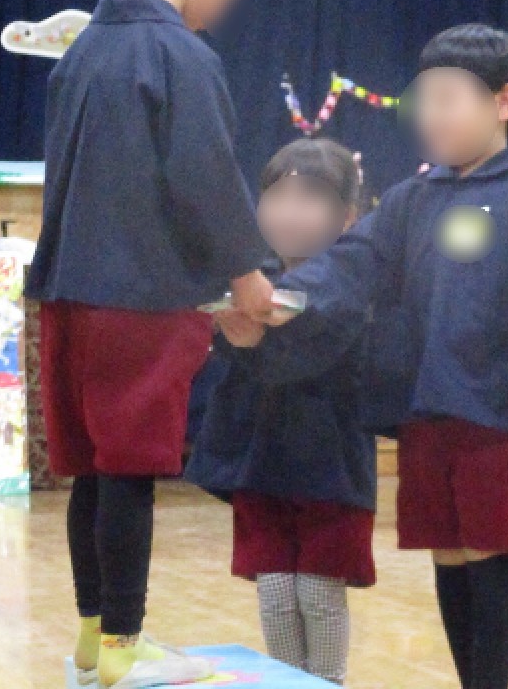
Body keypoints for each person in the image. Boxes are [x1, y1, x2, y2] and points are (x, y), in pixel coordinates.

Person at [232, 24, 508, 689]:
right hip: (427, 409)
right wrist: (281, 298)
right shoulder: (411, 199)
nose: (432, 115)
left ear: (503, 101)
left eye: (449, 99)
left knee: (487, 551)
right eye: (426, 99)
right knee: (448, 555)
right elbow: (351, 263)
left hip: (498, 413)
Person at [25, 0, 273, 689]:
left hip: (67, 294)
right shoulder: (181, 55)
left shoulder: (80, 53)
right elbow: (206, 178)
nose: (222, 7)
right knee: (129, 470)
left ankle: (95, 636)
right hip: (138, 300)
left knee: (94, 470)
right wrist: (246, 277)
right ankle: (126, 648)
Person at [186, 139, 383, 686]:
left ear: (347, 217)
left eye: (309, 198)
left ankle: (328, 682)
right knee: (274, 592)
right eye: (276, 196)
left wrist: (254, 338)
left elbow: (302, 349)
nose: (289, 213)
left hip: (330, 474)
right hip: (262, 468)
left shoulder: (351, 279)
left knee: (319, 594)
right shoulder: (249, 279)